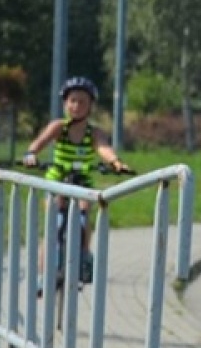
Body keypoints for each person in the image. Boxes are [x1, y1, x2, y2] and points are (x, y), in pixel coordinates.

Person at [20, 76, 132, 278]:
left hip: (82, 180)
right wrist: (31, 154)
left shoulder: (93, 132)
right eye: (72, 100)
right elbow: (41, 141)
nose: (77, 106)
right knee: (54, 222)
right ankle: (42, 273)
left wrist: (115, 162)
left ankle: (85, 254)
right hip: (57, 179)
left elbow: (103, 148)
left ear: (90, 106)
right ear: (65, 103)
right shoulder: (59, 127)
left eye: (82, 102)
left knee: (83, 213)